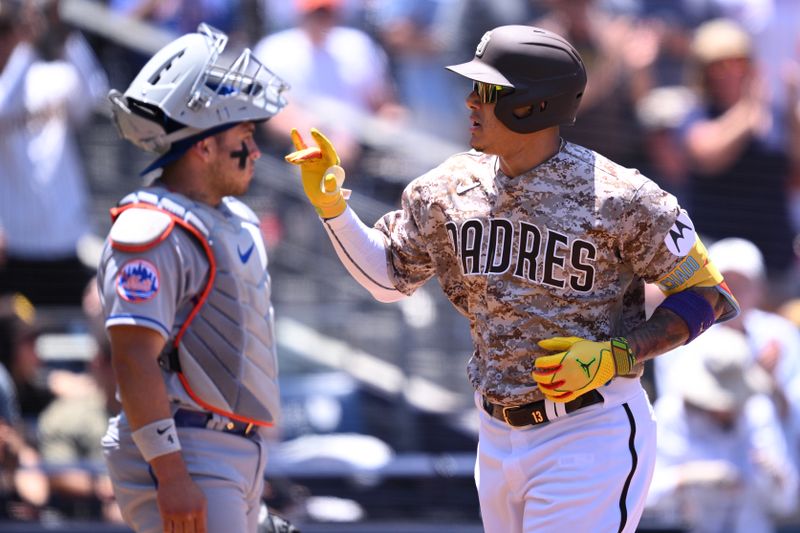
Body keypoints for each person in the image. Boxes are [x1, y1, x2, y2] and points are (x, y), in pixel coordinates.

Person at [286, 24, 739, 533]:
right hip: (495, 437)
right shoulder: (447, 188)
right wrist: (332, 207)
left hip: (589, 433)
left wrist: (619, 355)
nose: (469, 103)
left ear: (531, 105)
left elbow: (709, 295)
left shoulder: (624, 198)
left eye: (486, 91)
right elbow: (389, 278)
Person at [98, 23, 292, 533]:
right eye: (243, 138)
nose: (254, 152)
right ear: (202, 148)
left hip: (232, 451)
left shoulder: (231, 217)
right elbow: (133, 355)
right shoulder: (152, 227)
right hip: (185, 447)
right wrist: (172, 473)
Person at [0, 0, 108, 307]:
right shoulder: (10, 78)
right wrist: (22, 44)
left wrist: (66, 31)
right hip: (17, 242)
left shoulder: (55, 74)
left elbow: (93, 94)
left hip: (65, 235)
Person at [645, 326, 798, 533]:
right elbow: (643, 496)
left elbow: (786, 502)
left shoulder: (757, 410)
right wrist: (686, 477)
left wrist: (772, 475)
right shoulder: (672, 414)